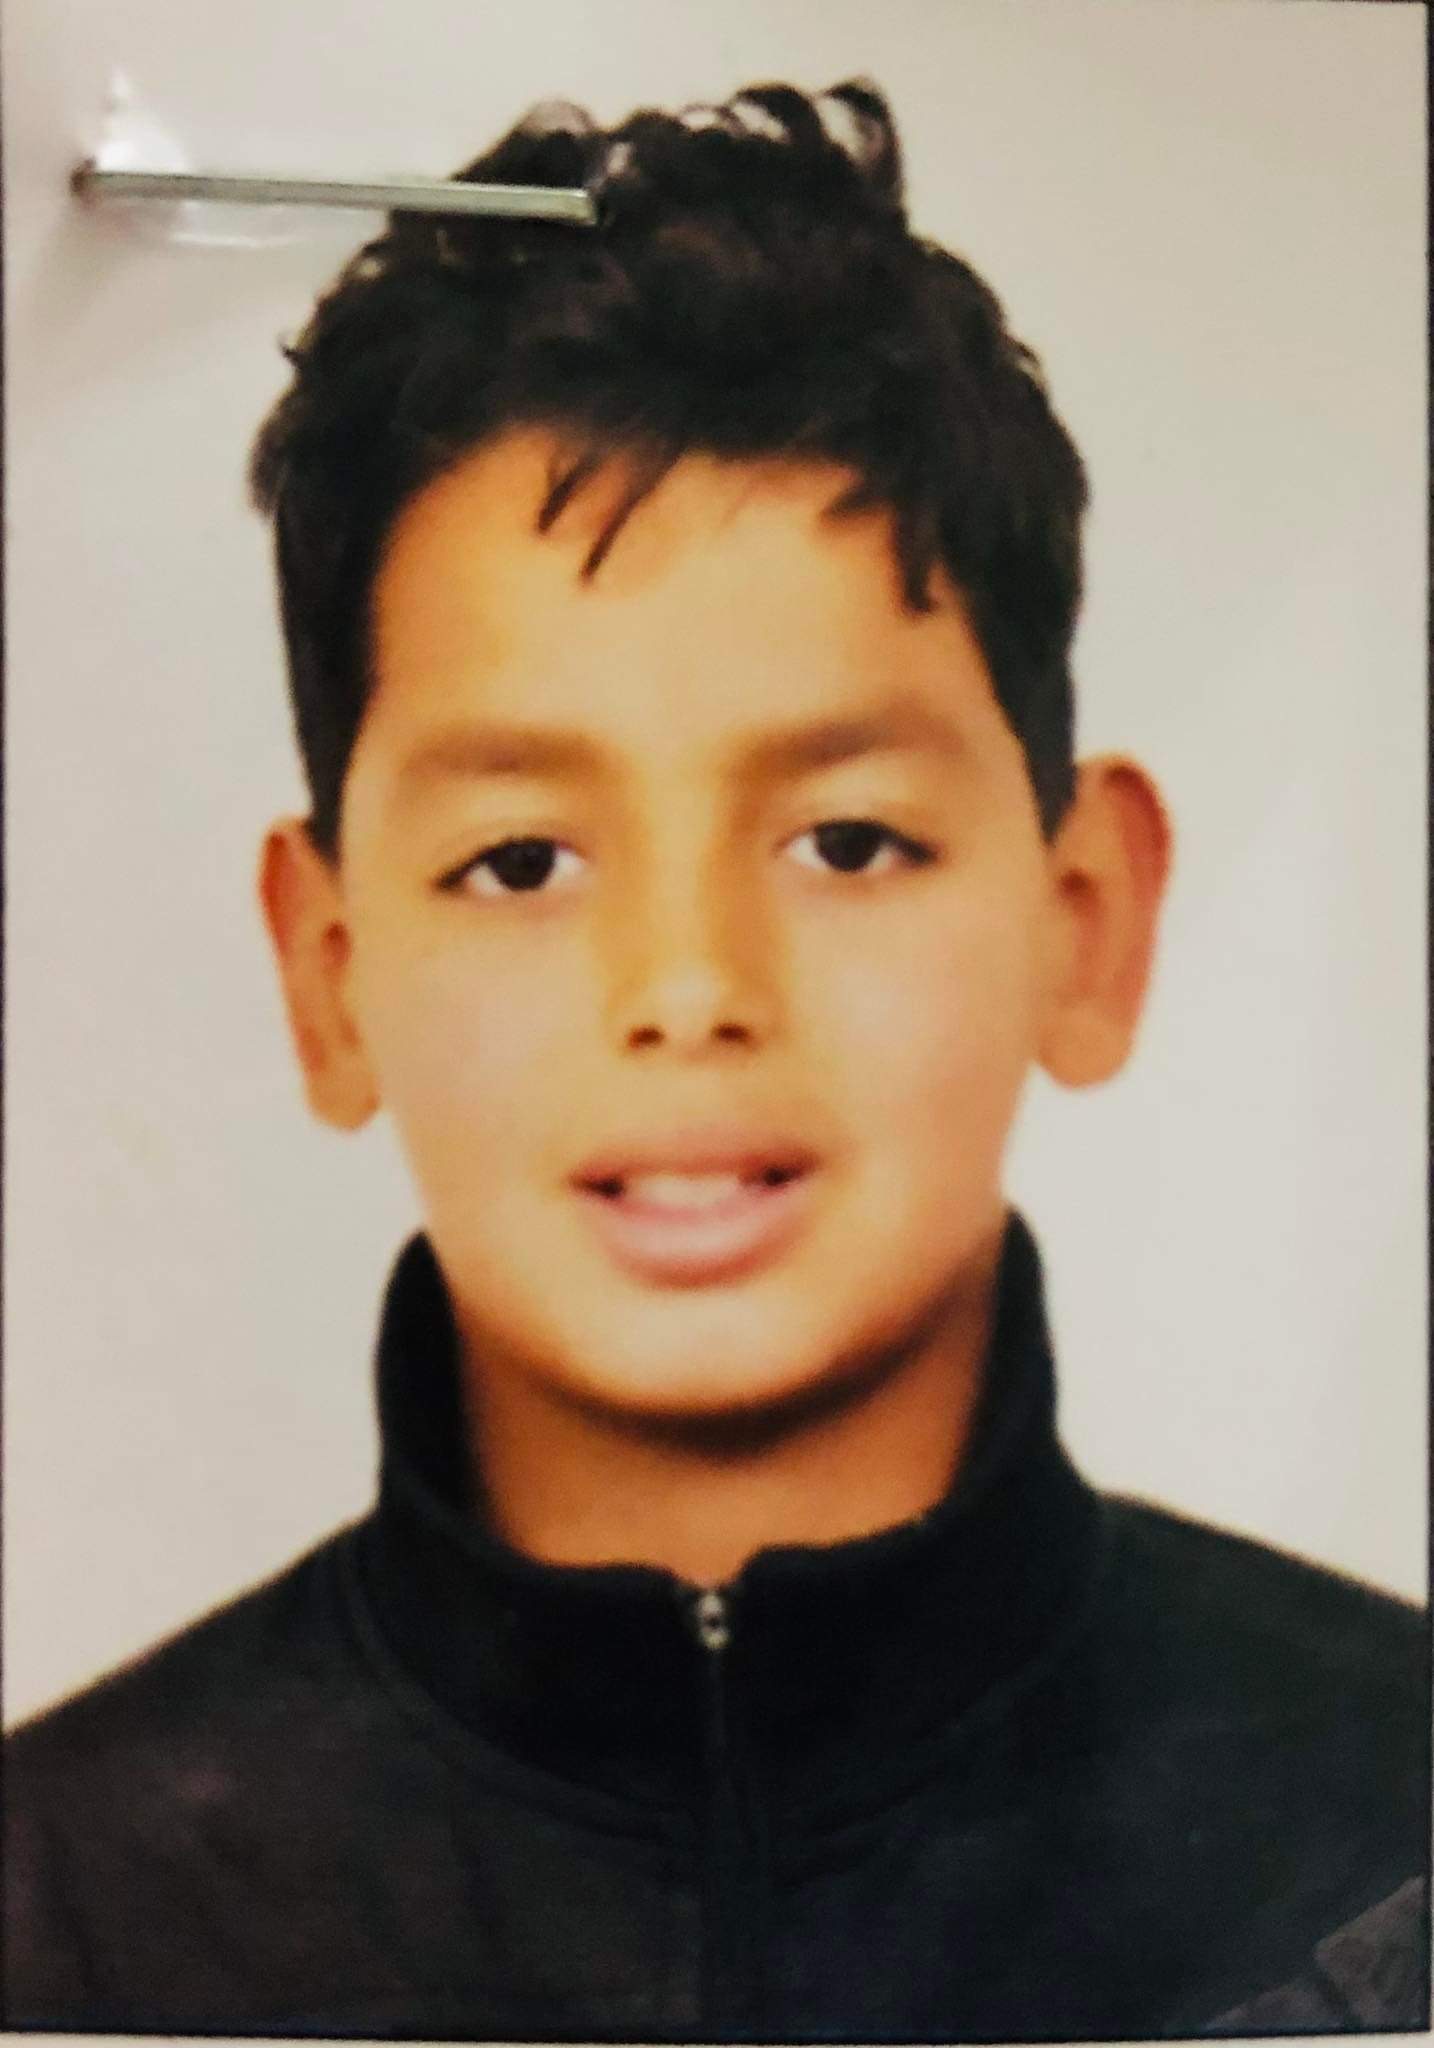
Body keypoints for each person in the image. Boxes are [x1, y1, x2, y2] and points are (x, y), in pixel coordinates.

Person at [3, 79, 1426, 2041]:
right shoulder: (53, 1908)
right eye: (523, 861)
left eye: (846, 841)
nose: (688, 988)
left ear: (1086, 917)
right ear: (329, 973)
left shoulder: (1388, 1838)